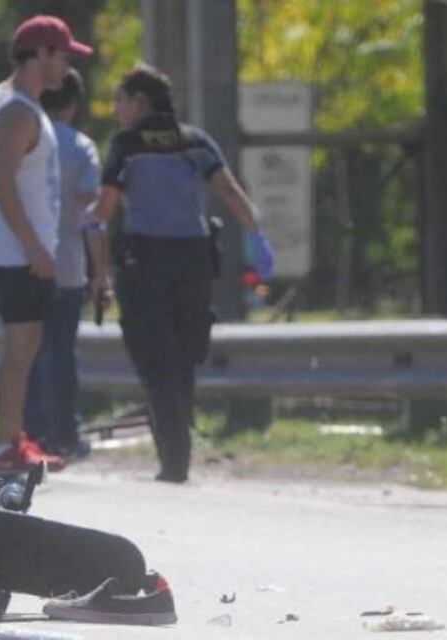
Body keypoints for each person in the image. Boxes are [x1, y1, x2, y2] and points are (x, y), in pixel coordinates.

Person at [93, 64, 274, 483]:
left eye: (121, 100)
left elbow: (105, 207)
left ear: (140, 102)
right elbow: (227, 190)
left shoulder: (127, 144)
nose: (117, 109)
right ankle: (179, 454)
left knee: (155, 361)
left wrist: (90, 231)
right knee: (183, 359)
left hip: (146, 261)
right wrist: (256, 235)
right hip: (193, 260)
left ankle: (172, 459)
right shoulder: (194, 140)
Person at [0, 15, 92, 475]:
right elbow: (2, 181)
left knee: (23, 348)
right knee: (21, 349)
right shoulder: (19, 109)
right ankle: (5, 447)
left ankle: (11, 438)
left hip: (12, 247)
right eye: (62, 55)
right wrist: (34, 246)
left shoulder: (6, 101)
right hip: (18, 252)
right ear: (39, 54)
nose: (66, 66)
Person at [23, 67, 107, 459]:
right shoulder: (82, 148)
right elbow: (91, 216)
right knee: (62, 352)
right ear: (73, 105)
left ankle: (29, 433)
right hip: (68, 264)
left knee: (28, 350)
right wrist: (100, 272)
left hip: (22, 261)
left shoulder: (23, 142)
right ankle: (65, 435)